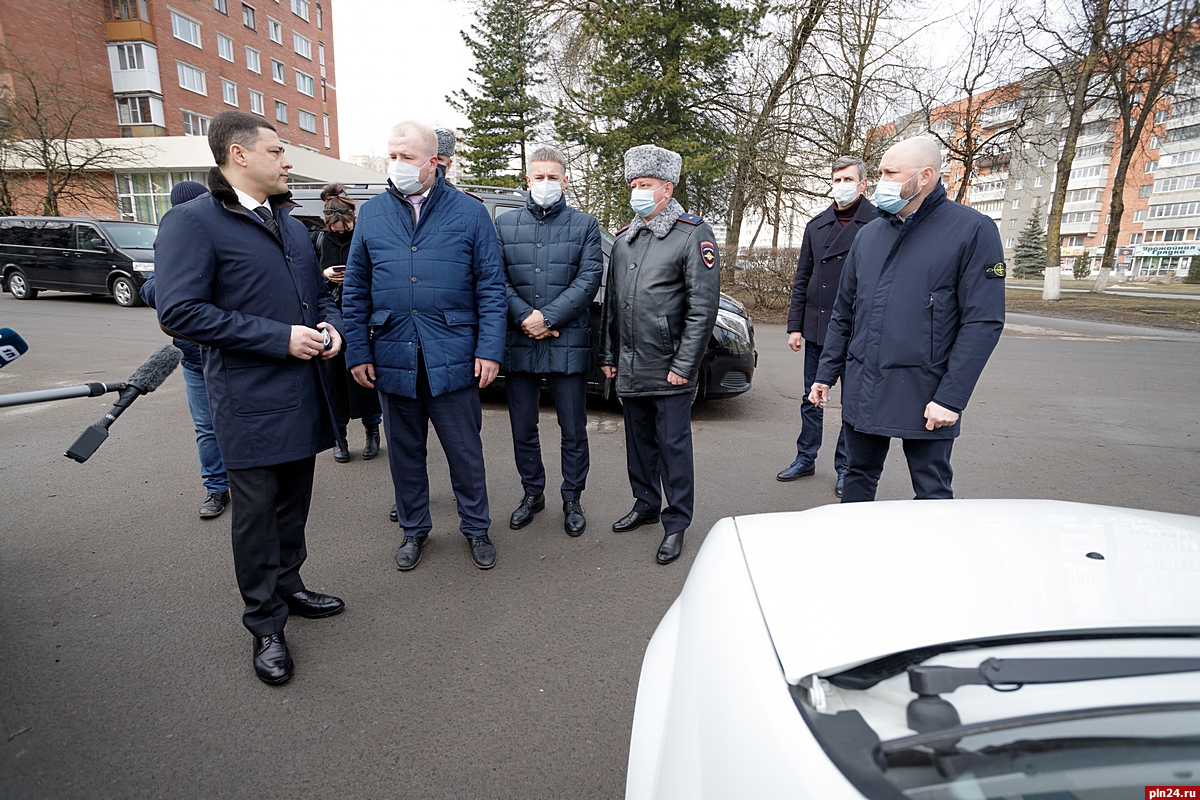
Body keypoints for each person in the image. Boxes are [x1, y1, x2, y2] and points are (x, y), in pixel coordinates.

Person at [155, 111, 346, 686]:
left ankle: (289, 585)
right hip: (249, 401)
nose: (288, 161)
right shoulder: (194, 222)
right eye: (277, 151)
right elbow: (179, 312)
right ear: (240, 156)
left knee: (293, 505)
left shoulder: (290, 223)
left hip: (303, 395)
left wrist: (331, 327)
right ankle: (265, 624)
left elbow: (315, 296)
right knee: (257, 517)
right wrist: (279, 338)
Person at [341, 121, 507, 571]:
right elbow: (354, 289)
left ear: (434, 161)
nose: (397, 166)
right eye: (391, 156)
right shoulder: (372, 213)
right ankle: (414, 529)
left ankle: (476, 528)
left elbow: (491, 288)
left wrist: (489, 349)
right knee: (405, 454)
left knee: (465, 453)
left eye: (407, 158)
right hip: (393, 356)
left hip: (452, 356)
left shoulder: (470, 213)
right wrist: (357, 351)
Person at [810, 136, 1005, 503]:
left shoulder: (972, 230)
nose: (879, 181)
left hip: (927, 392)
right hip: (865, 385)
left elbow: (983, 323)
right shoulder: (869, 236)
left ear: (925, 176)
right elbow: (844, 313)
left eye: (889, 172)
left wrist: (951, 398)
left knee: (931, 491)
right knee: (857, 479)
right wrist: (826, 373)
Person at [599, 144, 721, 565]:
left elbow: (702, 309)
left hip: (669, 368)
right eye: (633, 184)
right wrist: (609, 355)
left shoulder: (692, 235)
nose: (636, 191)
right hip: (631, 366)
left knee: (672, 449)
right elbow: (613, 306)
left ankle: (676, 523)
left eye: (645, 184)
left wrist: (684, 366)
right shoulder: (625, 240)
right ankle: (646, 504)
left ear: (666, 189)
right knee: (639, 445)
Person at [497, 145, 603, 536]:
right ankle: (532, 493)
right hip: (519, 341)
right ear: (527, 178)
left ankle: (572, 498)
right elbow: (496, 279)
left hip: (567, 342)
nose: (545, 183)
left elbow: (589, 279)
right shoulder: (505, 224)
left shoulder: (585, 225)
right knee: (522, 427)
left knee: (573, 428)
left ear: (565, 179)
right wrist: (526, 317)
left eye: (552, 177)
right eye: (538, 177)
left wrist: (549, 317)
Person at [778, 156, 877, 497]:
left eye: (848, 179)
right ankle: (805, 457)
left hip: (859, 332)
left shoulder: (880, 223)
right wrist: (795, 326)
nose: (841, 186)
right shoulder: (816, 225)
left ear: (863, 184)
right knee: (812, 399)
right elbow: (802, 278)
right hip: (819, 328)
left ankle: (846, 467)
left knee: (851, 404)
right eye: (836, 179)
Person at [139, 180, 231, 519]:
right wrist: (172, 290)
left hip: (235, 354)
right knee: (206, 427)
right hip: (193, 358)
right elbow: (149, 289)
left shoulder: (223, 237)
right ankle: (216, 488)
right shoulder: (174, 240)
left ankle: (264, 479)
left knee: (250, 421)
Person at [312, 183, 383, 463]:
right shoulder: (317, 240)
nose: (340, 231)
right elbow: (302, 279)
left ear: (354, 218)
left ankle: (372, 430)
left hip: (361, 319)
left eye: (345, 227)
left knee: (365, 377)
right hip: (328, 320)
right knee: (333, 382)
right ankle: (339, 437)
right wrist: (324, 274)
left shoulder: (364, 237)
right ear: (327, 223)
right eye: (335, 228)